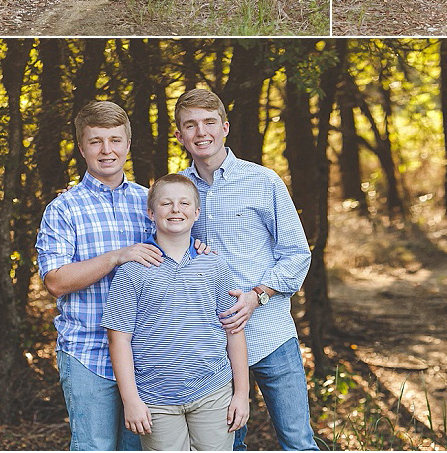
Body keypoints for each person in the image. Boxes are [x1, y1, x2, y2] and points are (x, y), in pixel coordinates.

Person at [174, 88, 319, 451]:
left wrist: (258, 295)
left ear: (224, 127)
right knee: (226, 445)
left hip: (270, 333)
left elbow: (297, 253)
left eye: (209, 122)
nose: (201, 132)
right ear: (179, 136)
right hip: (211, 342)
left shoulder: (262, 181)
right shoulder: (176, 190)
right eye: (190, 125)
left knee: (297, 441)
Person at [35, 100, 163, 452]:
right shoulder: (63, 209)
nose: (107, 150)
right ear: (82, 148)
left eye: (115, 140)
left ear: (127, 144)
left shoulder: (150, 202)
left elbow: (173, 261)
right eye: (96, 141)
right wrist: (117, 256)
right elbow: (56, 281)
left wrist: (201, 251)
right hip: (87, 352)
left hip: (146, 353)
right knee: (95, 447)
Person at [104, 174, 250, 451]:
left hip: (212, 391)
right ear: (151, 212)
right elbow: (118, 339)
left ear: (196, 213)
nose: (175, 209)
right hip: (155, 399)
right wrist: (131, 400)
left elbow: (234, 330)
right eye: (166, 203)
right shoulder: (132, 270)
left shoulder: (214, 266)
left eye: (184, 203)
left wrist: (242, 393)